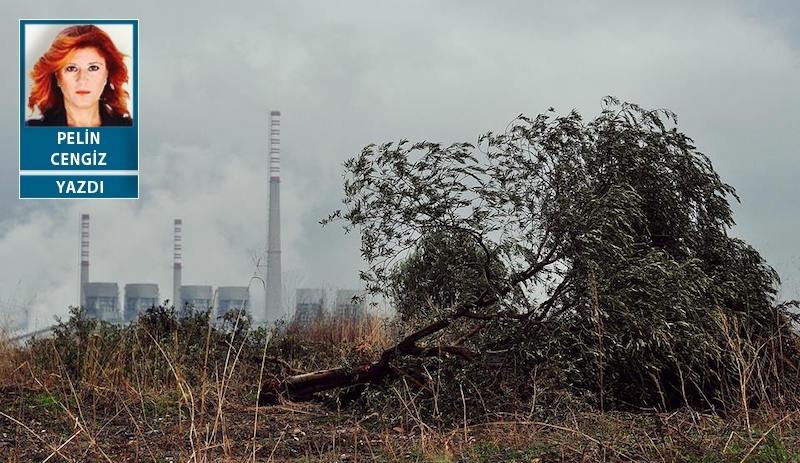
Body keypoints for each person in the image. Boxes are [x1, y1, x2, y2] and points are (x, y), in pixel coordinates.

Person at [26, 25, 132, 127]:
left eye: (93, 68)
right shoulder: (30, 133)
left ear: (107, 75)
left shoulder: (131, 131)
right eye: (71, 68)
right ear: (58, 77)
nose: (82, 79)